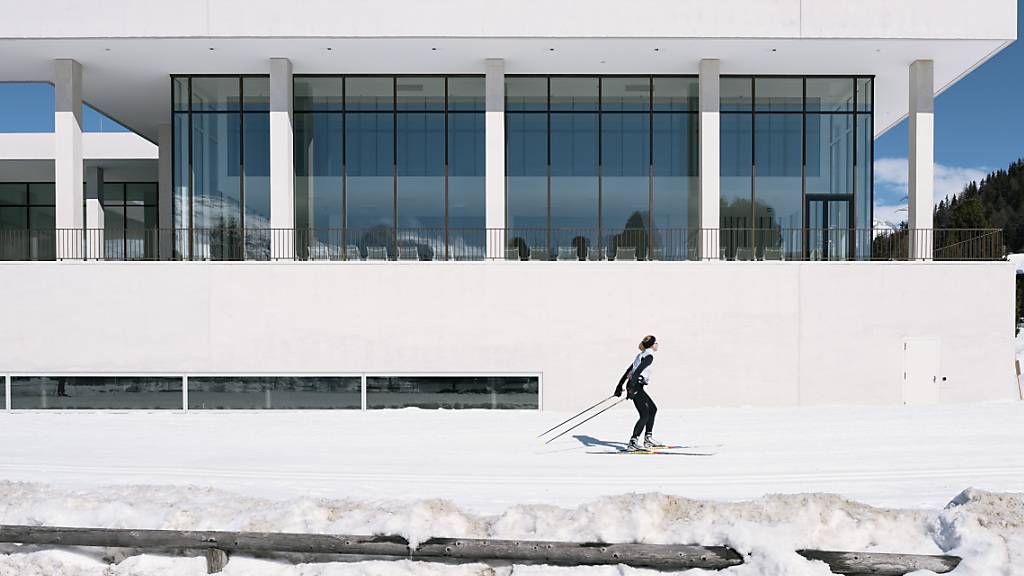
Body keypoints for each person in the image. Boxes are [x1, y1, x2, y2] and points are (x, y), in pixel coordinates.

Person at [614, 335, 661, 451]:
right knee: (644, 414)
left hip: (635, 386)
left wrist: (619, 386)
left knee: (653, 409)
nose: (657, 344)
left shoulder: (640, 355)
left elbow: (628, 371)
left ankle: (648, 439)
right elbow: (636, 372)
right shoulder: (649, 356)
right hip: (635, 386)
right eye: (656, 343)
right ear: (652, 344)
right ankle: (633, 442)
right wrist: (631, 389)